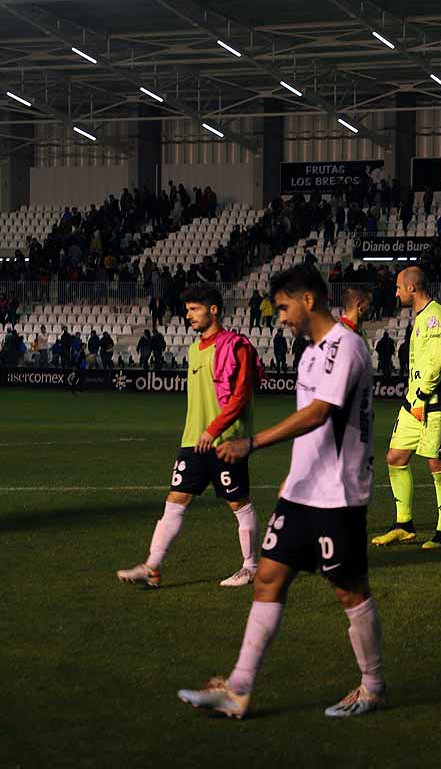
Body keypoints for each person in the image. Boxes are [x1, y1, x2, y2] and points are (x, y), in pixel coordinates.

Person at [178, 264, 385, 719]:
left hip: (339, 495)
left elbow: (319, 413)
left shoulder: (345, 347)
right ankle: (239, 688)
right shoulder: (311, 351)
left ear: (309, 300)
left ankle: (371, 686)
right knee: (268, 578)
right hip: (300, 492)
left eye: (285, 307)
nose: (281, 317)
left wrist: (250, 442)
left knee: (349, 591)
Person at [116, 283, 262, 590]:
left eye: (194, 309)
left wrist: (214, 430)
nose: (189, 315)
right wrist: (201, 432)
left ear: (213, 310)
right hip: (193, 442)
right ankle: (152, 566)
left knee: (239, 504)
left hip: (226, 442)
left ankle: (250, 568)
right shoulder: (195, 349)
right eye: (187, 310)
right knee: (175, 501)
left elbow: (241, 395)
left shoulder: (237, 345)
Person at [372, 267, 441, 550]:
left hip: (436, 405)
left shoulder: (435, 316)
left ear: (412, 288)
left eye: (399, 287)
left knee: (437, 463)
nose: (396, 293)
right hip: (413, 403)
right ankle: (404, 525)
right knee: (395, 457)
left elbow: (436, 364)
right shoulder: (422, 317)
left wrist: (421, 399)